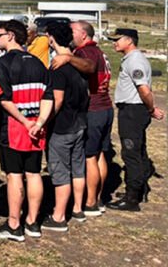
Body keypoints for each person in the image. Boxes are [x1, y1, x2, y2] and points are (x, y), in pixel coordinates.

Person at [0, 20, 53, 242]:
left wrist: (25, 122)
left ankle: (14, 223)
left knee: (14, 175)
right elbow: (48, 96)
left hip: (14, 128)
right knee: (34, 173)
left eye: (0, 35)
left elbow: (5, 100)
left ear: (12, 36)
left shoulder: (2, 64)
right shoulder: (38, 63)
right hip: (37, 127)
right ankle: (33, 222)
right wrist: (40, 122)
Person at [51, 21, 113, 216]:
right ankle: (98, 197)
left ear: (84, 35)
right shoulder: (97, 50)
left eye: (73, 31)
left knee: (89, 157)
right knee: (100, 154)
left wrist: (68, 58)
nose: (70, 34)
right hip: (105, 107)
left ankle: (91, 201)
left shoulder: (85, 53)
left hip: (94, 109)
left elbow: (90, 67)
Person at [106, 28, 165, 211]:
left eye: (118, 39)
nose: (114, 42)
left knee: (131, 154)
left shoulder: (135, 61)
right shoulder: (131, 59)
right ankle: (138, 190)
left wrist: (150, 108)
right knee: (138, 151)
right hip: (133, 109)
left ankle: (132, 198)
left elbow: (144, 90)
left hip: (133, 110)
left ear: (129, 40)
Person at [40, 22, 89, 232]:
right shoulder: (78, 63)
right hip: (80, 123)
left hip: (62, 126)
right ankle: (77, 208)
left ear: (51, 38)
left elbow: (57, 100)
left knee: (60, 172)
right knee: (77, 169)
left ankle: (58, 216)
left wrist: (44, 122)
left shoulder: (58, 67)